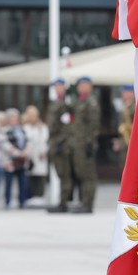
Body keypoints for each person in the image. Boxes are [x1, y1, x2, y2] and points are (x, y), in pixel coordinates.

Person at [69, 76, 101, 213]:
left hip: (86, 144)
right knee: (81, 173)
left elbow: (94, 125)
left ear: (90, 86)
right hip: (78, 143)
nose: (80, 87)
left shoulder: (91, 102)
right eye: (79, 85)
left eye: (84, 84)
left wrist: (90, 143)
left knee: (88, 174)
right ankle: (83, 201)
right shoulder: (79, 102)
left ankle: (88, 203)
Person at [47, 79, 75, 213]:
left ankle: (63, 202)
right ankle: (61, 201)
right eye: (56, 87)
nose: (57, 89)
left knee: (64, 175)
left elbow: (68, 126)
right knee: (60, 173)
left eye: (60, 87)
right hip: (54, 142)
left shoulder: (66, 104)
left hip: (62, 144)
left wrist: (62, 141)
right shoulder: (55, 103)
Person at [0, 107, 30, 209]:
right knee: (8, 183)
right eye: (12, 118)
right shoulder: (4, 131)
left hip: (22, 161)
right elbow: (5, 145)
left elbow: (29, 142)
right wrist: (18, 153)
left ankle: (22, 201)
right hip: (10, 161)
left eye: (15, 118)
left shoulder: (22, 130)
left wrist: (25, 152)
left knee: (23, 182)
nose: (14, 120)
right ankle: (7, 202)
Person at [22, 104, 49, 205]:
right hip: (30, 155)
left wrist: (44, 152)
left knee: (40, 176)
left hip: (40, 155)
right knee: (31, 175)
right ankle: (32, 196)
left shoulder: (43, 127)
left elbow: (46, 141)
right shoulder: (25, 127)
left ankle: (40, 196)